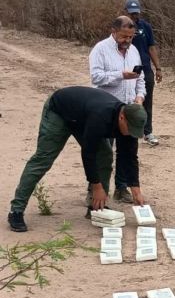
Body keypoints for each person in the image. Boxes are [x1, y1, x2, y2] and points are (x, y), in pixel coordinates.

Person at [7, 86, 147, 232]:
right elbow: (88, 153)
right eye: (130, 129)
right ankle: (16, 211)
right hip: (60, 112)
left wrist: (135, 190)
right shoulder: (101, 116)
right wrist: (96, 186)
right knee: (43, 159)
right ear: (122, 117)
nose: (131, 133)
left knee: (104, 157)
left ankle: (97, 208)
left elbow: (130, 157)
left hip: (83, 116)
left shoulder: (131, 123)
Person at [89, 15, 145, 204]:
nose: (127, 41)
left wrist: (140, 97)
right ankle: (96, 188)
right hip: (107, 110)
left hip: (129, 109)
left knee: (128, 151)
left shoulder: (134, 50)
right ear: (113, 32)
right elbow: (96, 77)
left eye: (130, 37)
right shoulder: (100, 49)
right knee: (103, 151)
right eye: (123, 37)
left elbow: (141, 78)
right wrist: (121, 75)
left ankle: (122, 188)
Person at [126, 0, 163, 146]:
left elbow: (151, 47)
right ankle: (124, 131)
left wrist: (158, 68)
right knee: (127, 99)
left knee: (147, 101)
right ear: (126, 12)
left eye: (136, 13)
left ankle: (147, 132)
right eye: (131, 13)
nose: (134, 16)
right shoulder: (122, 27)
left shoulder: (145, 27)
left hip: (145, 68)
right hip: (128, 70)